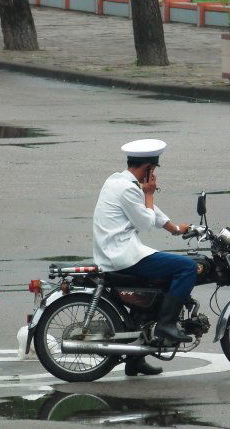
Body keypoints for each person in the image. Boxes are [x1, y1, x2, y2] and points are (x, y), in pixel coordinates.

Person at [93, 139, 197, 377]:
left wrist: (175, 229)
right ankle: (166, 325)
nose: (154, 176)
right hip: (123, 255)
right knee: (187, 268)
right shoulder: (129, 188)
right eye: (154, 170)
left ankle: (135, 360)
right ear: (148, 168)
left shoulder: (117, 180)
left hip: (114, 252)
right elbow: (145, 221)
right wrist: (149, 194)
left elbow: (148, 209)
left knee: (156, 289)